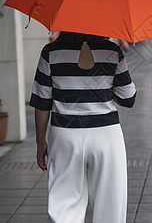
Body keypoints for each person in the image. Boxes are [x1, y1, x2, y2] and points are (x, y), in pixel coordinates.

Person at [29, 31, 136, 223]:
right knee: (110, 204)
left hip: (65, 134)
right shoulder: (112, 51)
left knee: (64, 206)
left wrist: (40, 143)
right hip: (106, 135)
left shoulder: (50, 52)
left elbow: (42, 103)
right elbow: (128, 98)